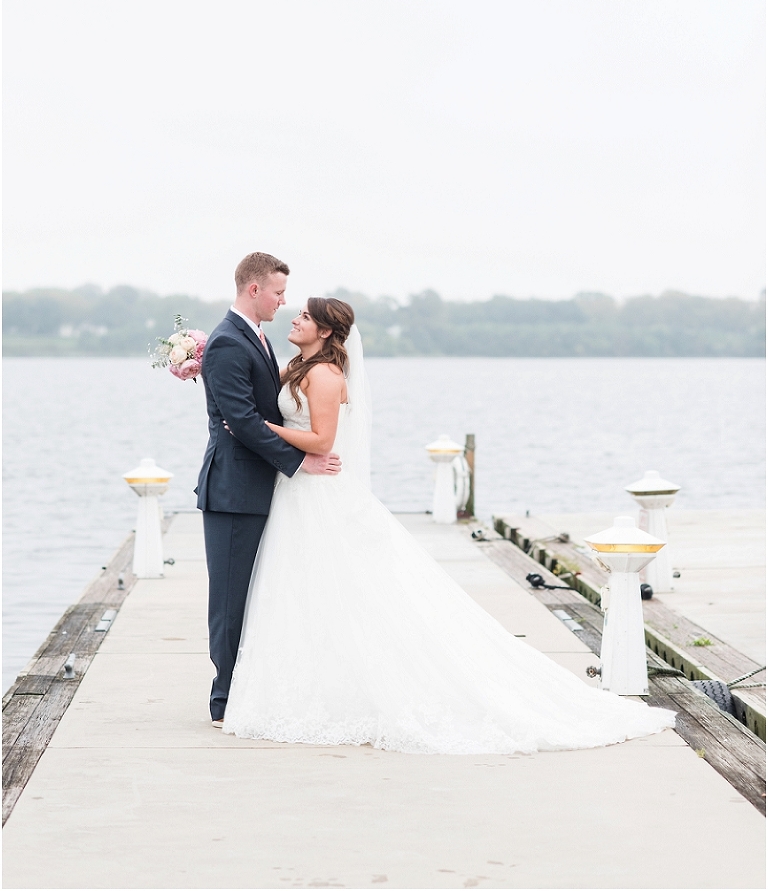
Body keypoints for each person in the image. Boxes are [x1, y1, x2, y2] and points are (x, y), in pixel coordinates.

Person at [222, 297, 675, 754]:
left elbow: (322, 440)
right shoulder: (298, 365)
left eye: (304, 316)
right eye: (295, 311)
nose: (294, 318)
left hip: (317, 494)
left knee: (339, 586)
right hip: (296, 493)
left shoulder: (323, 374)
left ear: (323, 331)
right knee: (304, 589)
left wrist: (263, 426)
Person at [196, 253, 341, 727]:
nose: (284, 302)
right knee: (231, 596)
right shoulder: (227, 343)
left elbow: (266, 411)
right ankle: (224, 700)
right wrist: (301, 461)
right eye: (278, 293)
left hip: (259, 487)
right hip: (234, 490)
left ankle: (247, 687)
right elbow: (240, 420)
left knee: (256, 593)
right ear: (254, 290)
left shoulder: (254, 338)